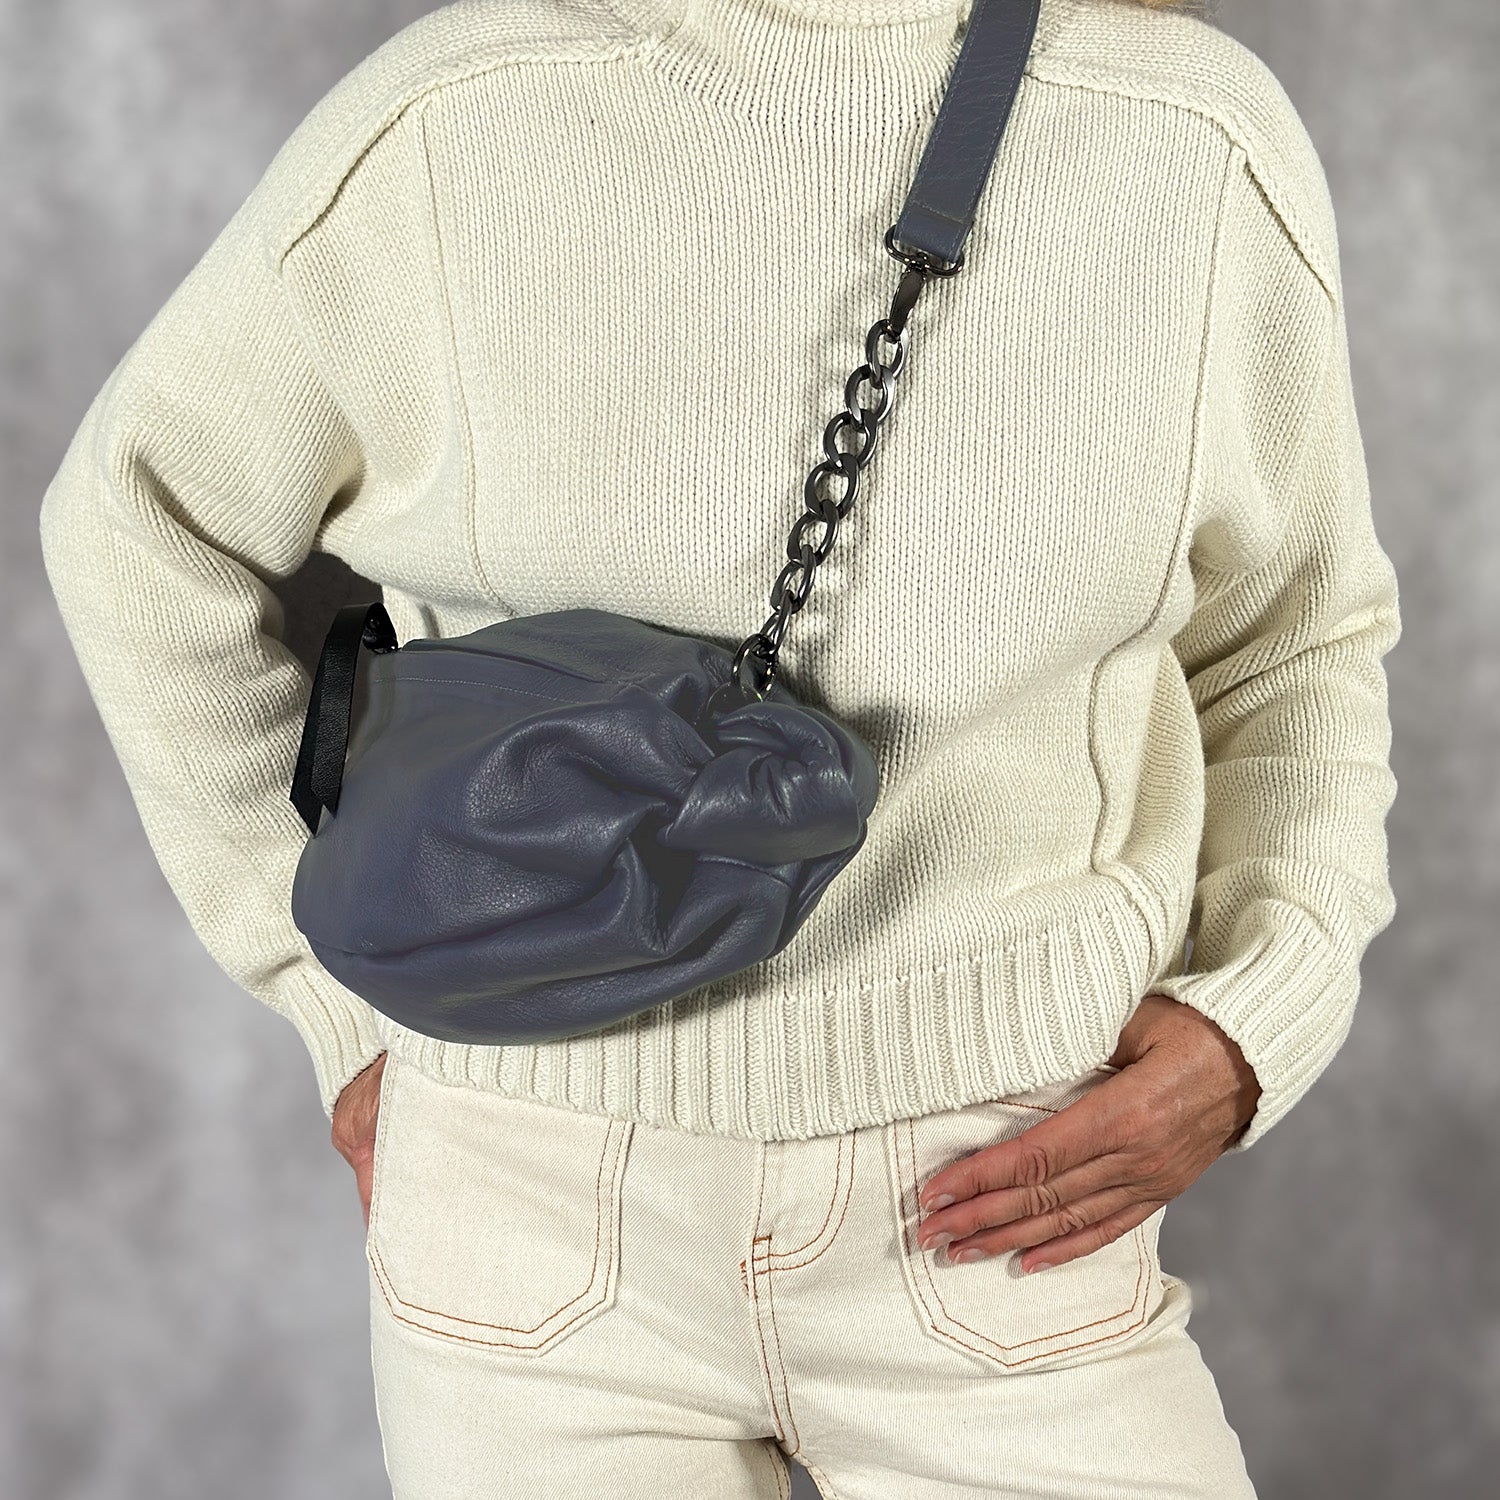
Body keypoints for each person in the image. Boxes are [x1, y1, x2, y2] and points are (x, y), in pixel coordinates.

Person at [37, 1, 1400, 1495]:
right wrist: (325, 993)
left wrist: (1264, 1009)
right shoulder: (453, 114)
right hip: (531, 1198)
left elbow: (1292, 635)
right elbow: (136, 522)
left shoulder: (1188, 139)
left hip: (1008, 1193)